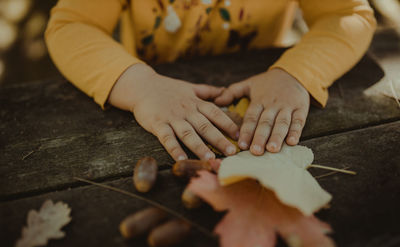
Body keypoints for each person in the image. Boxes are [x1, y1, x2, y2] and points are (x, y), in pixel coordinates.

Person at [45, 0, 376, 161]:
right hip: (156, 96)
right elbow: (71, 24)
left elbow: (348, 14)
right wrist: (140, 85)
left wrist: (297, 73)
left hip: (258, 85)